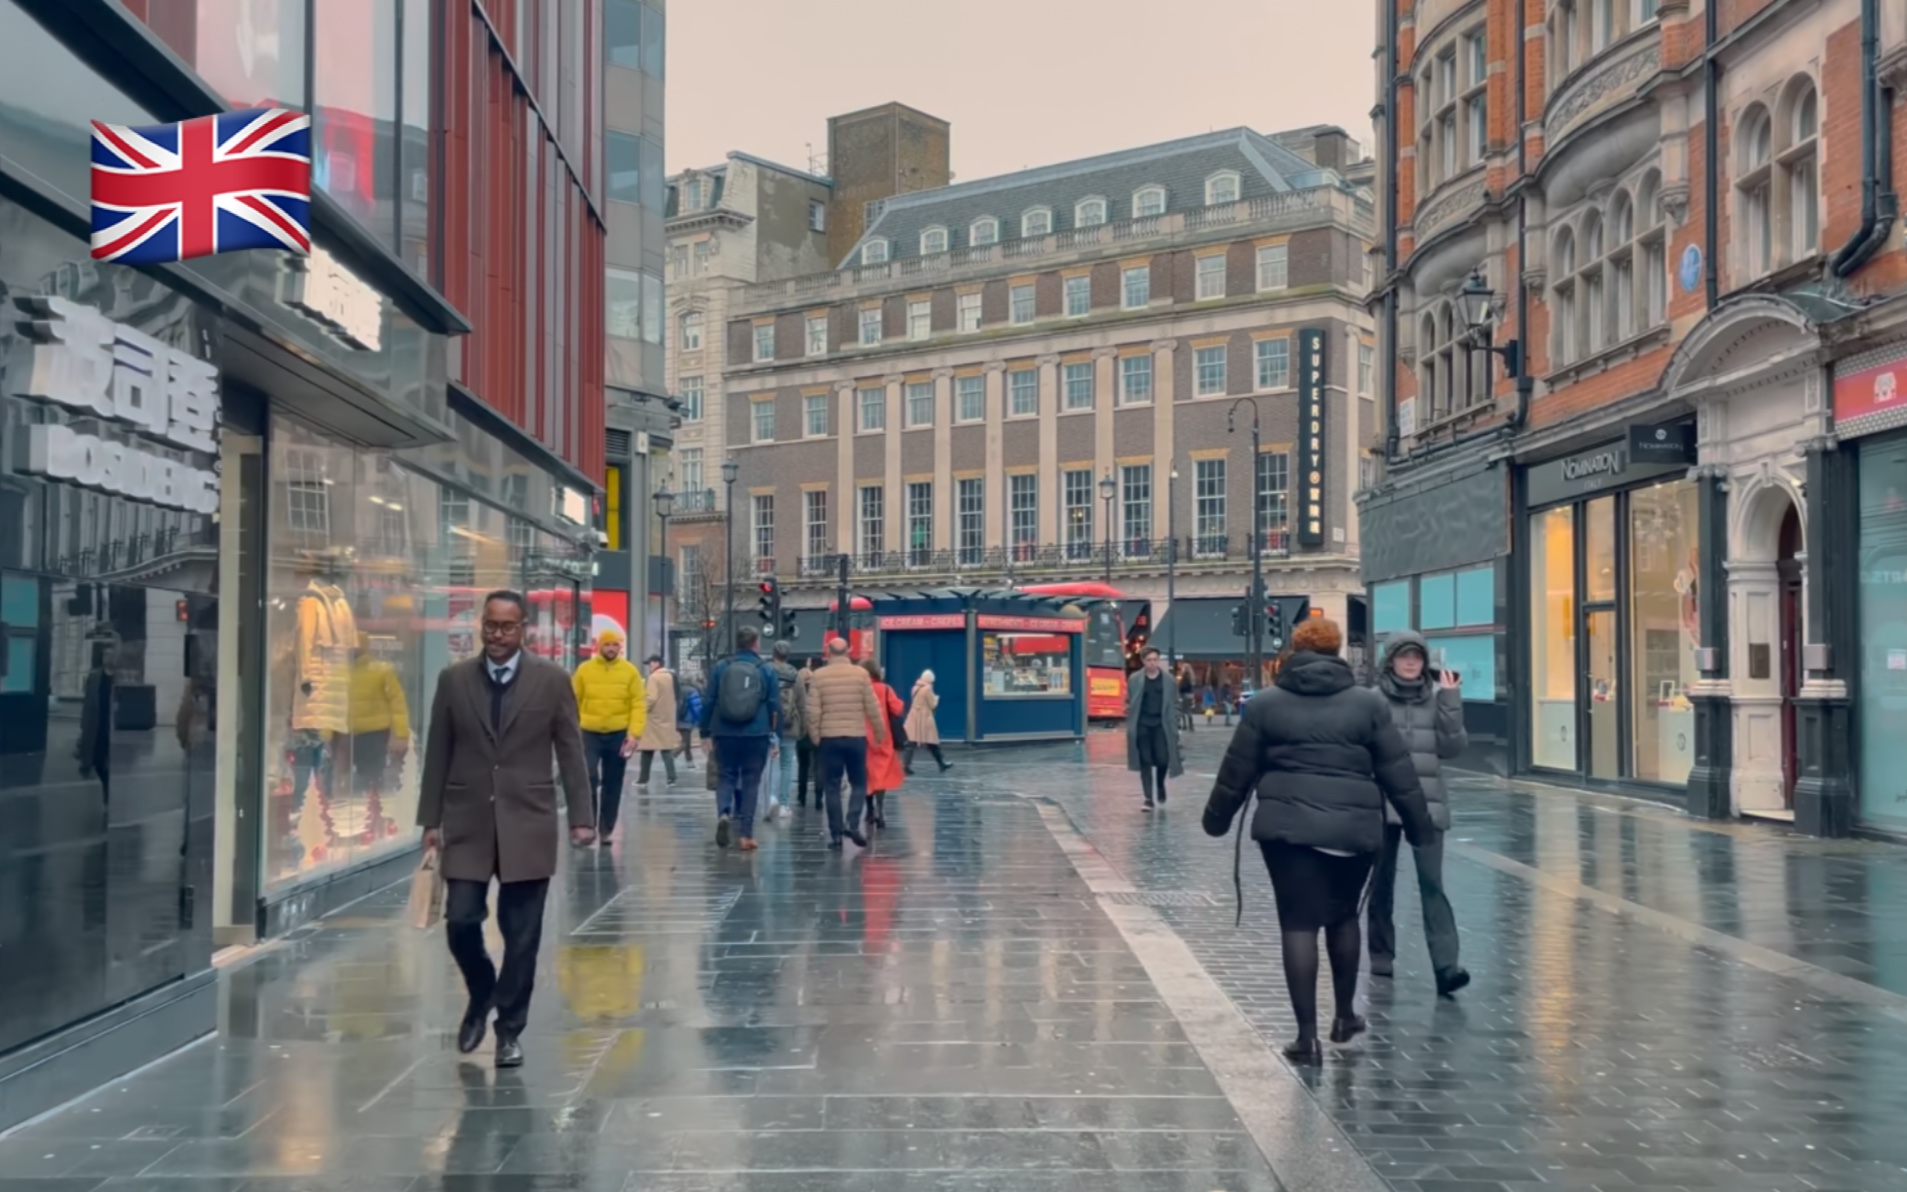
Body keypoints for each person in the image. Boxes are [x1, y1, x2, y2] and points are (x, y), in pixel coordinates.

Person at [1201, 616, 1436, 1067]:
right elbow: (1398, 773)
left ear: (1295, 651)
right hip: (1353, 829)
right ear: (1337, 651)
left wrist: (1217, 820)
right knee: (1344, 918)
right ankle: (1345, 1017)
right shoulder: (1367, 705)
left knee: (1298, 924)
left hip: (1286, 830)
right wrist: (1420, 827)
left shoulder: (1266, 705)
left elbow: (1236, 772)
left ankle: (1306, 1039)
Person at [419, 590, 593, 1069]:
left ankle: (509, 1030)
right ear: (481, 626)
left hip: (528, 822)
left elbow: (571, 752)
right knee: (460, 920)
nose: (497, 635)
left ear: (524, 631)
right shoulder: (454, 681)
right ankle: (480, 991)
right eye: (490, 625)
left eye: (507, 627)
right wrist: (430, 820)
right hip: (468, 821)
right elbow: (438, 751)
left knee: (523, 937)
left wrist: (581, 818)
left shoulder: (552, 681)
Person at [1368, 632, 1470, 996]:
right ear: (1391, 660)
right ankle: (1381, 956)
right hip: (1383, 803)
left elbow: (1452, 747)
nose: (1411, 663)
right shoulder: (1374, 700)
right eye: (1404, 656)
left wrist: (1452, 700)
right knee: (1380, 885)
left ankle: (1446, 966)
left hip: (1427, 804)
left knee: (1432, 885)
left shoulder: (1438, 698)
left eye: (1417, 657)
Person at [700, 626, 778, 852]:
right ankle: (746, 835)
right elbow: (774, 705)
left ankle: (724, 813)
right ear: (756, 643)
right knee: (751, 780)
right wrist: (775, 736)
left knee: (726, 776)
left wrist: (705, 731)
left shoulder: (721, 667)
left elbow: (709, 700)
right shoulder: (766, 669)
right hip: (757, 732)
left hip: (725, 731)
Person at [806, 638, 883, 849]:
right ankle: (852, 821)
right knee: (859, 783)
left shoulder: (818, 676)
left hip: (829, 738)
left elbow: (812, 712)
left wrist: (816, 737)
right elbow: (873, 707)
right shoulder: (861, 675)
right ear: (848, 651)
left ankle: (836, 835)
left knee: (832, 786)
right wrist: (879, 732)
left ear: (828, 652)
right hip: (856, 737)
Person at [572, 628, 645, 843]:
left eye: (615, 645)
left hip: (619, 734)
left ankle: (606, 828)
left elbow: (638, 704)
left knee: (613, 782)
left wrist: (634, 734)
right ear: (599, 646)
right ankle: (588, 825)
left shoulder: (630, 672)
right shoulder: (584, 670)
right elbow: (573, 700)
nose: (611, 649)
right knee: (588, 777)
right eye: (607, 644)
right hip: (589, 733)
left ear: (620, 647)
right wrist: (572, 729)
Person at [1126, 647, 1181, 811]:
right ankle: (1148, 798)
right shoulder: (1135, 679)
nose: (1152, 663)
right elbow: (1130, 700)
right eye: (1149, 660)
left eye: (1155, 660)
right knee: (1145, 760)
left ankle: (1160, 786)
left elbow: (1175, 702)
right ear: (1143, 661)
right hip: (1142, 724)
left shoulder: (1168, 680)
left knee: (1163, 759)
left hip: (1161, 724)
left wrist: (1175, 719)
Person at [760, 641, 804, 823]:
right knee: (787, 765)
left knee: (770, 763)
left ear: (773, 653)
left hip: (769, 724)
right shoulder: (796, 675)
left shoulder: (765, 671)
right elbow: (802, 703)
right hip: (790, 725)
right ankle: (784, 805)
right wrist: (803, 727)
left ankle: (771, 797)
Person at [860, 658, 906, 831]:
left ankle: (869, 809)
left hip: (863, 737)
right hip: (884, 737)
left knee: (867, 774)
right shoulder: (886, 689)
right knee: (881, 774)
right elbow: (898, 708)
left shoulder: (861, 689)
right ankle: (880, 807)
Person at [635, 654, 681, 789]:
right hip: (667, 717)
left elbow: (651, 698)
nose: (649, 666)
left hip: (653, 719)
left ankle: (643, 779)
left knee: (647, 750)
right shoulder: (670, 676)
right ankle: (672, 777)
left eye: (650, 663)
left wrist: (642, 710)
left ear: (656, 663)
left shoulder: (654, 678)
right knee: (666, 749)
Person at [902, 669, 951, 775]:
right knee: (932, 741)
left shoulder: (915, 688)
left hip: (913, 715)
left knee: (910, 742)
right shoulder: (928, 688)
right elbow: (932, 704)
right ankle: (941, 763)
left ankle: (905, 765)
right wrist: (937, 698)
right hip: (924, 716)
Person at [795, 657, 820, 808]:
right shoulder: (817, 691)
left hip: (801, 731)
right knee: (818, 765)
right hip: (815, 730)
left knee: (802, 765)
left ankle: (801, 795)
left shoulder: (797, 691)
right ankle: (818, 796)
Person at [1177, 662, 1196, 733]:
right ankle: (1191, 726)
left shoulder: (1185, 676)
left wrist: (1179, 687)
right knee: (1188, 711)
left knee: (1182, 711)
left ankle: (1184, 725)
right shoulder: (1191, 676)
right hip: (1190, 695)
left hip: (1184, 695)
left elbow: (1183, 686)